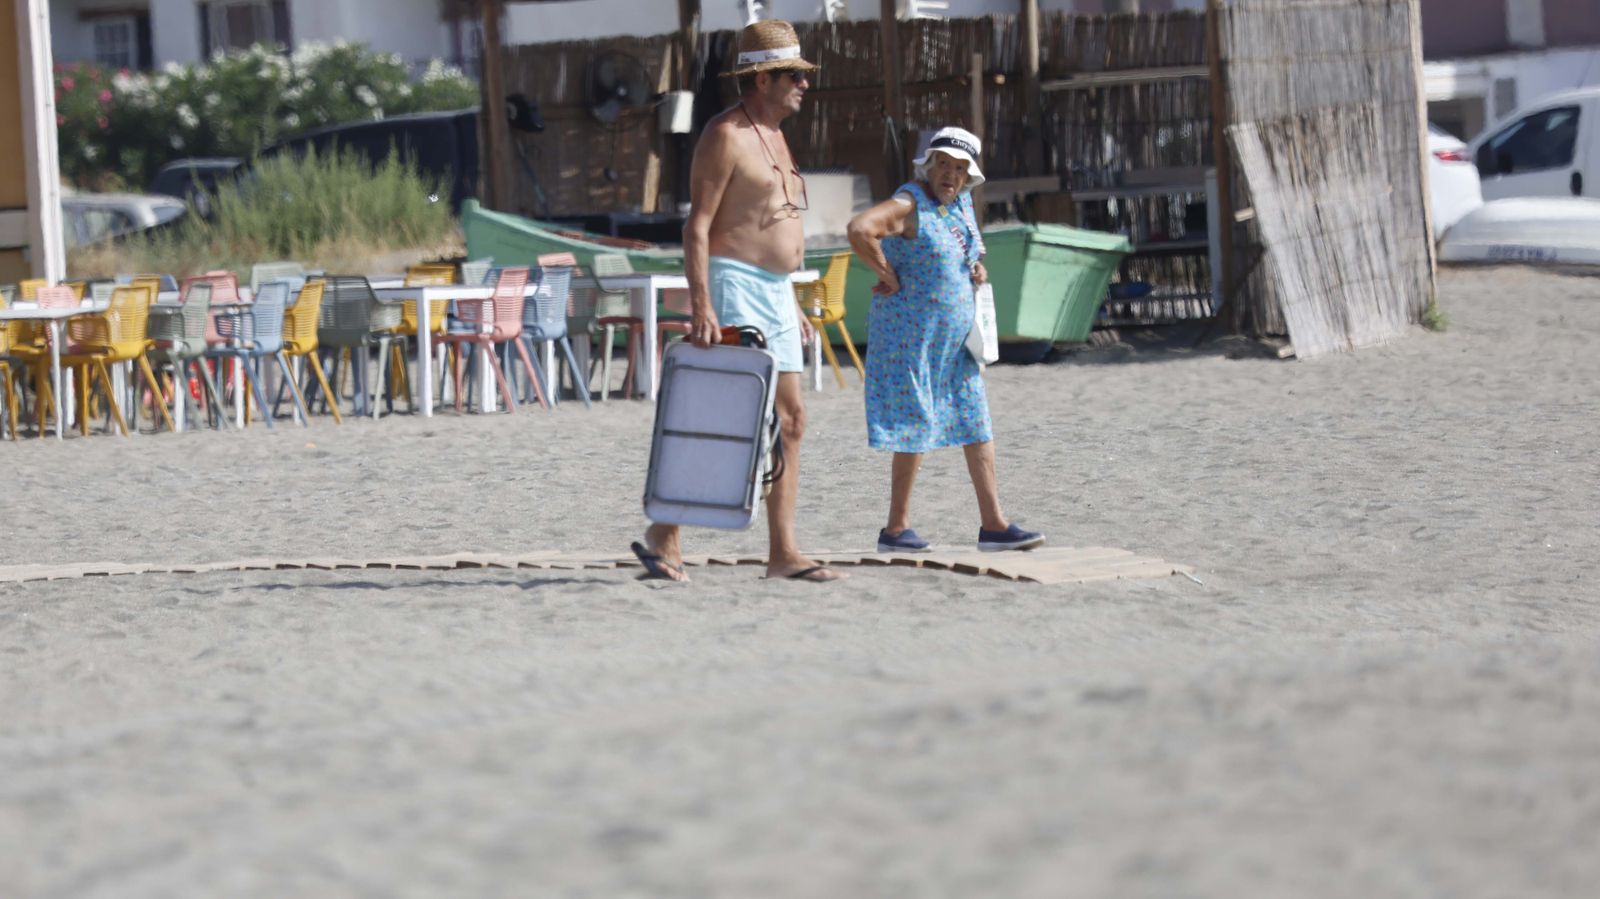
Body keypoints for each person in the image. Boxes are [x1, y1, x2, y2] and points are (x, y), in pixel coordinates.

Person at [631, 19, 845, 584]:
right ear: (762, 79)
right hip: (731, 285)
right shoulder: (725, 134)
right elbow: (697, 227)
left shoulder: (776, 134)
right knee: (722, 413)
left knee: (792, 421)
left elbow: (770, 221)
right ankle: (666, 533)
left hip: (775, 292)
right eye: (792, 76)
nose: (803, 84)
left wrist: (790, 297)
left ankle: (782, 553)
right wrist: (702, 302)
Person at [846, 126, 1044, 553]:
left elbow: (966, 251)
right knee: (915, 425)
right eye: (943, 165)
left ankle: (994, 524)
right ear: (928, 165)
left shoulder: (960, 206)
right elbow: (860, 228)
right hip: (911, 339)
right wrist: (887, 273)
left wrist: (975, 269)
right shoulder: (909, 202)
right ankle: (895, 529)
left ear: (969, 177)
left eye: (959, 169)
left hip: (955, 343)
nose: (950, 175)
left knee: (976, 422)